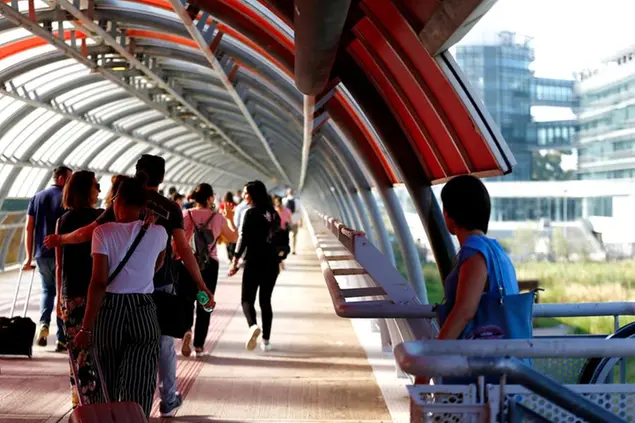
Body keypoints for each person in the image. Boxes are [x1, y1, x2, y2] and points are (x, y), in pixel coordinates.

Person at [44, 155, 215, 418]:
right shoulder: (167, 213)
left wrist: (60, 239)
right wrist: (201, 286)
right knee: (155, 355)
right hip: (151, 297)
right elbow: (181, 250)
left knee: (107, 371)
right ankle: (163, 400)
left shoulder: (113, 217)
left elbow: (89, 240)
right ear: (161, 177)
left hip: (112, 302)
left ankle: (108, 414)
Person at [74, 177, 167, 417]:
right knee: (141, 381)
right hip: (144, 311)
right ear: (143, 205)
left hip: (110, 312)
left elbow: (98, 283)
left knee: (105, 379)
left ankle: (106, 419)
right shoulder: (159, 233)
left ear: (118, 201)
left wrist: (85, 328)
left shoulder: (102, 233)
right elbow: (157, 265)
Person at [436, 175, 520, 341]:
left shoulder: (474, 252)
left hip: (482, 358)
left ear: (448, 214)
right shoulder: (495, 249)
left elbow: (465, 310)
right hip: (505, 353)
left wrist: (435, 350)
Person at [55, 171, 104, 408]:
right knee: (98, 346)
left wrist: (58, 297)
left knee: (76, 350)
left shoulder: (62, 221)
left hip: (70, 293)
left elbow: (58, 264)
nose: (99, 190)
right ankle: (96, 396)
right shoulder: (100, 218)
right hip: (97, 292)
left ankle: (78, 397)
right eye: (97, 185)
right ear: (87, 190)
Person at [180, 184, 238, 357]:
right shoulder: (217, 217)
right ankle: (199, 345)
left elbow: (177, 240)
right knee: (206, 303)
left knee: (187, 300)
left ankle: (186, 330)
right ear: (210, 198)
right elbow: (233, 237)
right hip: (210, 264)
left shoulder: (186, 214)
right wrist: (230, 218)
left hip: (189, 262)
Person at [24, 165, 72, 351]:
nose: (70, 182)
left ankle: (44, 324)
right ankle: (61, 337)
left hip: (42, 254)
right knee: (62, 294)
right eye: (69, 178)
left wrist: (29, 258)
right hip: (62, 253)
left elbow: (29, 227)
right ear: (60, 178)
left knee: (47, 290)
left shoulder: (37, 197)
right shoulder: (67, 198)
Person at [228, 181, 281, 352]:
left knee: (247, 300)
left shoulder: (249, 213)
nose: (244, 196)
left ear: (253, 194)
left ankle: (252, 326)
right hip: (272, 263)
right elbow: (278, 238)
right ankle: (266, 340)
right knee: (266, 301)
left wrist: (235, 261)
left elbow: (242, 239)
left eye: (245, 193)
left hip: (254, 262)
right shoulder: (274, 214)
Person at [273, 195, 292, 271]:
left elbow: (290, 219)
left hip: (283, 232)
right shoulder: (274, 210)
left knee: (283, 248)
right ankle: (280, 262)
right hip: (278, 232)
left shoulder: (285, 210)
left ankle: (280, 261)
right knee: (278, 248)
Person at [218, 191, 237, 260]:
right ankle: (232, 254)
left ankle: (229, 256)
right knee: (233, 239)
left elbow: (220, 213)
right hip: (233, 222)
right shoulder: (234, 204)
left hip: (224, 223)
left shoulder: (222, 204)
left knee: (226, 241)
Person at [282, 189, 300, 255]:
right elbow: (299, 211)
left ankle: (285, 249)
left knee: (285, 236)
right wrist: (300, 220)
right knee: (294, 236)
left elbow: (281, 211)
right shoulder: (297, 200)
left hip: (286, 221)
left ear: (287, 193)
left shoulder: (283, 200)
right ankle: (294, 249)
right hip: (294, 220)